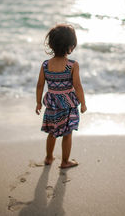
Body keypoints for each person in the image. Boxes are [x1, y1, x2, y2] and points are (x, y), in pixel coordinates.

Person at [35, 24, 87, 169]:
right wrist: (83, 103)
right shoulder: (72, 65)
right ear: (71, 46)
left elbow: (40, 85)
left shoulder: (45, 65)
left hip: (52, 105)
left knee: (52, 132)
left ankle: (49, 157)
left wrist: (38, 103)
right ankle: (65, 161)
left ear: (51, 44)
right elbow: (77, 86)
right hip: (68, 105)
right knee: (67, 133)